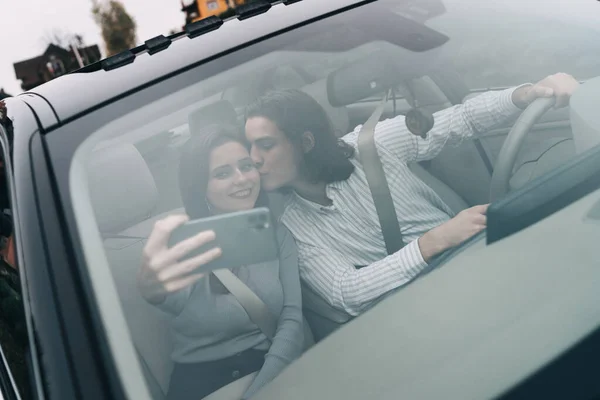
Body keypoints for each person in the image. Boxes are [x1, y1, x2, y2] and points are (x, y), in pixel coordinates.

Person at [243, 73, 581, 318]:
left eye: (266, 145)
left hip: (483, 264)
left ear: (305, 143)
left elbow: (461, 120)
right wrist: (430, 243)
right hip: (425, 314)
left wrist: (529, 92)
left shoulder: (371, 145)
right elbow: (345, 291)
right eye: (250, 147)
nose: (254, 159)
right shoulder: (292, 227)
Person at [137, 125, 304, 400]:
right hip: (204, 383)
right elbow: (167, 296)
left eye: (246, 166)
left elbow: (292, 316)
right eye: (222, 173)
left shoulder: (277, 232)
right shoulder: (181, 243)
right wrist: (154, 292)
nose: (241, 179)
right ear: (201, 188)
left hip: (273, 367)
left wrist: (264, 386)